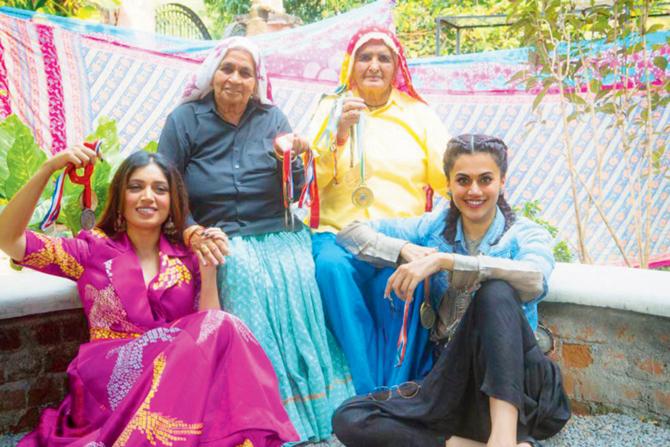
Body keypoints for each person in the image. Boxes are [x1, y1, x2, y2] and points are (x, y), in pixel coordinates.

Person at [0, 147, 298, 446]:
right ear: (120, 199)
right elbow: (8, 239)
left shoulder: (186, 258)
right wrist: (48, 169)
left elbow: (207, 329)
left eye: (159, 189)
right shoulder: (91, 251)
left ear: (171, 202)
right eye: (136, 187)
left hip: (172, 380)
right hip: (109, 379)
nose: (148, 196)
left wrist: (207, 270)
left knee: (223, 326)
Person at [158, 36, 353, 442]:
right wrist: (190, 229)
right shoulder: (185, 120)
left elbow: (294, 191)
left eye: (245, 72)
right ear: (212, 75)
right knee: (242, 271)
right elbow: (166, 185)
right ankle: (258, 409)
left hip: (277, 232)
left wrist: (297, 160)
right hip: (218, 233)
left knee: (300, 275)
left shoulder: (271, 118)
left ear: (255, 80)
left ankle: (311, 409)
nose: (234, 78)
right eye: (227, 69)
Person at [331, 134, 571, 447]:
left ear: (502, 182)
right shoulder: (432, 228)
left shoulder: (523, 234)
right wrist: (405, 250)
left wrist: (447, 261)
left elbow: (535, 279)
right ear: (448, 184)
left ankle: (503, 437)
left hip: (520, 384)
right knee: (350, 417)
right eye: (463, 180)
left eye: (485, 179)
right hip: (455, 379)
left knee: (495, 292)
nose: (474, 191)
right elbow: (350, 232)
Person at [307, 26, 450, 394]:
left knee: (409, 281)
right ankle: (371, 392)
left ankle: (397, 389)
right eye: (365, 58)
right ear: (350, 67)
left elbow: (449, 176)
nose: (374, 66)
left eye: (383, 58)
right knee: (331, 270)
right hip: (338, 235)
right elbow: (308, 181)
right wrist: (336, 135)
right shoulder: (328, 108)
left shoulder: (419, 115)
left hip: (401, 235)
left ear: (396, 67)